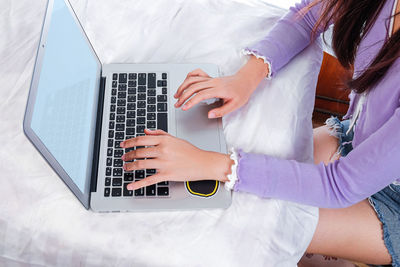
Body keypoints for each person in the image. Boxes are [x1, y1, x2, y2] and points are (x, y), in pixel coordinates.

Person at [119, 0, 400, 265]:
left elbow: (339, 186)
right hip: (357, 142)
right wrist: (246, 77)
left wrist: (210, 163)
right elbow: (310, 15)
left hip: (390, 200)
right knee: (238, 191)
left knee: (257, 224)